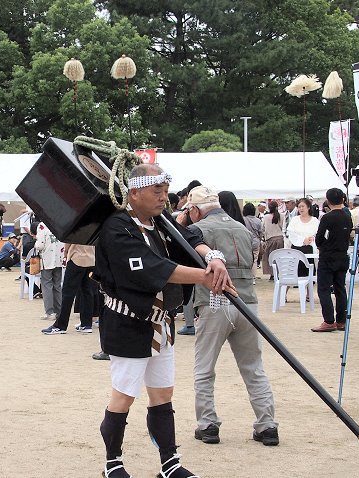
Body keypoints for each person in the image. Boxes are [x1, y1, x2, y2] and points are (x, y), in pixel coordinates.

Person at [96, 164, 233, 478]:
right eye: (156, 191)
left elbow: (189, 237)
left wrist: (211, 257)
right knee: (123, 396)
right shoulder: (117, 227)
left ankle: (169, 463)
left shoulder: (160, 221)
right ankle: (112, 463)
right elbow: (150, 267)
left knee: (162, 395)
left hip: (161, 323)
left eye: (166, 191)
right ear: (134, 193)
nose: (164, 198)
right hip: (128, 322)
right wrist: (204, 276)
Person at [185, 186, 278, 446]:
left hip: (213, 302)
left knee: (205, 368)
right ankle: (267, 424)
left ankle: (208, 424)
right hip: (247, 302)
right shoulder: (243, 229)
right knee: (254, 368)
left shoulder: (197, 229)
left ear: (195, 210)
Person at [311, 188, 353, 332]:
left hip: (328, 256)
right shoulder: (347, 216)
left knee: (324, 289)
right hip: (342, 255)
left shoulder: (327, 217)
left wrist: (322, 246)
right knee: (340, 288)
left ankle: (329, 321)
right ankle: (341, 320)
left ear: (328, 201)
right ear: (343, 199)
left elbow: (319, 237)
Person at [41, 243, 97, 335]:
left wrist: (66, 252)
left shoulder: (75, 232)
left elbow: (68, 240)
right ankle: (86, 324)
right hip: (91, 259)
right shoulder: (93, 231)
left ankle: (60, 325)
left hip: (76, 258)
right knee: (87, 292)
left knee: (67, 293)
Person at [34, 221, 63, 321]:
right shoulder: (60, 223)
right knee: (57, 285)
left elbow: (39, 245)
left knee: (47, 285)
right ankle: (59, 311)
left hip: (47, 258)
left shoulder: (42, 225)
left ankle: (49, 312)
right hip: (59, 258)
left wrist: (35, 243)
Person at [286, 198, 319, 277]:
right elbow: (291, 234)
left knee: (309, 275)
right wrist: (303, 240)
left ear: (308, 207)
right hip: (296, 249)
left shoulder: (315, 220)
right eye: (299, 207)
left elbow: (318, 234)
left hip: (310, 249)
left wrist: (311, 239)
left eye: (303, 206)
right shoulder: (295, 220)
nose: (301, 208)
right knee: (296, 274)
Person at [260, 201, 283, 280]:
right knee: (280, 258)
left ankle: (273, 274)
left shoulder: (266, 217)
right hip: (281, 240)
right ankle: (280, 273)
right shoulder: (282, 216)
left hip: (270, 240)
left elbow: (263, 228)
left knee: (270, 258)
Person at [242, 203, 263, 283]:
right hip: (255, 242)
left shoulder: (242, 220)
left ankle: (246, 276)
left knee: (245, 259)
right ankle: (253, 278)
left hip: (245, 241)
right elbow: (261, 232)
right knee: (254, 260)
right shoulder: (258, 220)